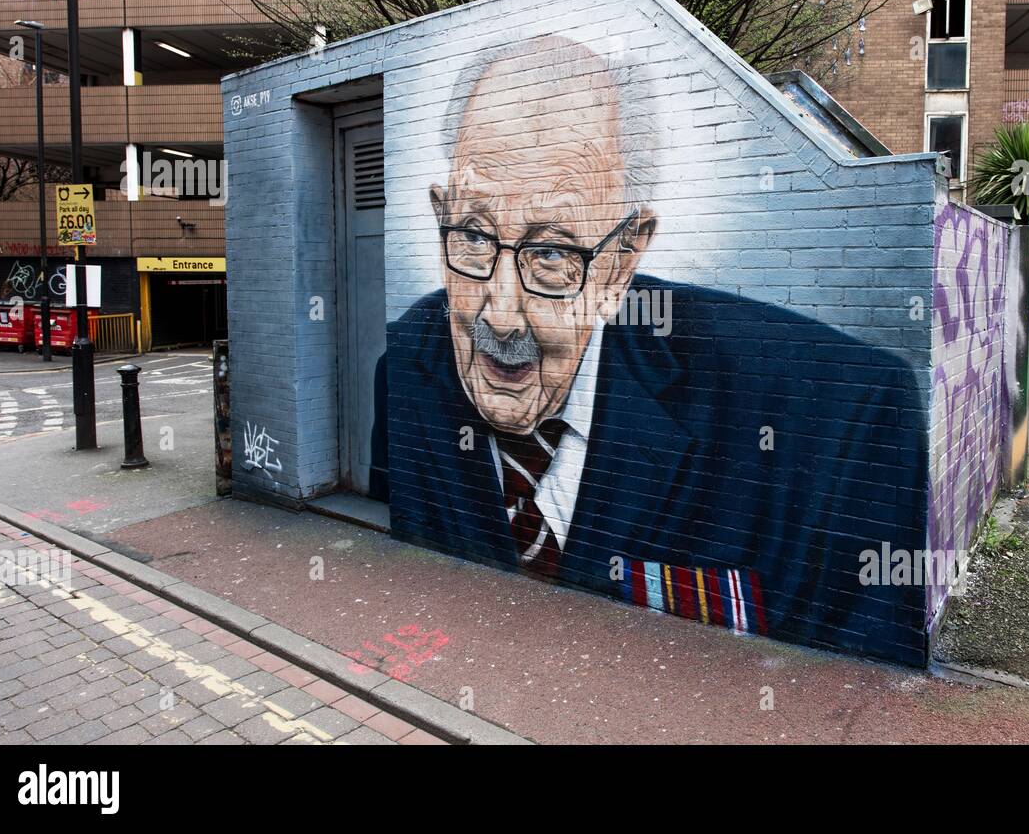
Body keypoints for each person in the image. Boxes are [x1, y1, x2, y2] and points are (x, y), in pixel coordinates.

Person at [374, 36, 926, 654]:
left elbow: (855, 698)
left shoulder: (838, 421)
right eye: (474, 236)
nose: (500, 317)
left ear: (620, 263)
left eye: (552, 252)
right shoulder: (403, 370)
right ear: (440, 216)